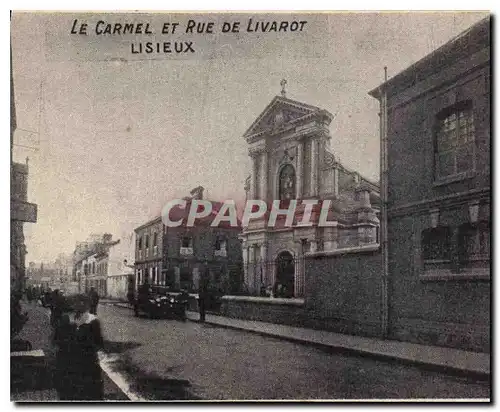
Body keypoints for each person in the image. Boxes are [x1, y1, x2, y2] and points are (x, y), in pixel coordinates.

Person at [52, 294, 104, 401]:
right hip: (87, 364)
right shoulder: (93, 321)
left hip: (67, 364)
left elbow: (56, 340)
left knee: (69, 394)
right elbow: (98, 343)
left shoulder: (64, 320)